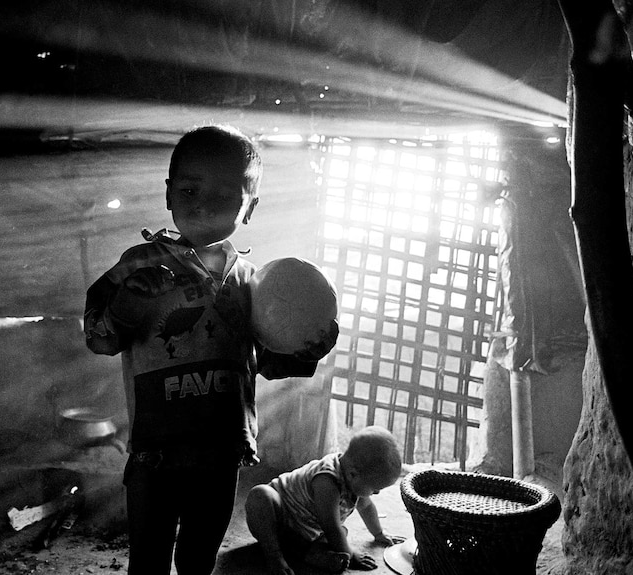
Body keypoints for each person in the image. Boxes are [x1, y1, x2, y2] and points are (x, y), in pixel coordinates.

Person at [84, 124, 338, 575]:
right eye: (189, 189)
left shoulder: (257, 283)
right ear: (168, 194)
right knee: (147, 561)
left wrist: (309, 347)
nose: (202, 203)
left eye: (225, 196)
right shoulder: (138, 265)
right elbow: (100, 338)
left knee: (199, 558)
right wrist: (126, 305)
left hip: (222, 452)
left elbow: (272, 363)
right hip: (154, 452)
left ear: (251, 208)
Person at [245, 426, 406, 574]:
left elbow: (366, 507)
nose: (376, 492)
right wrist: (351, 553)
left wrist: (378, 533)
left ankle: (309, 555)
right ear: (352, 474)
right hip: (278, 518)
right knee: (260, 495)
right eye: (375, 488)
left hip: (305, 531)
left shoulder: (355, 481)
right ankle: (275, 556)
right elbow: (330, 525)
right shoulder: (327, 480)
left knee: (341, 535)